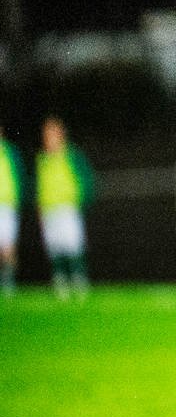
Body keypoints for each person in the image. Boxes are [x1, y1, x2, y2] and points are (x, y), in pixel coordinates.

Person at [37, 116, 93, 298]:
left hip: (67, 208)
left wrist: (82, 199)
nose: (50, 137)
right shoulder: (42, 160)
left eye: (53, 133)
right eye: (47, 134)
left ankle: (79, 281)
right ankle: (60, 283)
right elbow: (39, 186)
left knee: (73, 245)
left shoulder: (71, 155)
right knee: (55, 246)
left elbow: (86, 179)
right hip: (49, 210)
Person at [0, 123, 23, 296]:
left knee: (7, 247)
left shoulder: (10, 152)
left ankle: (8, 284)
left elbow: (19, 177)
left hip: (6, 205)